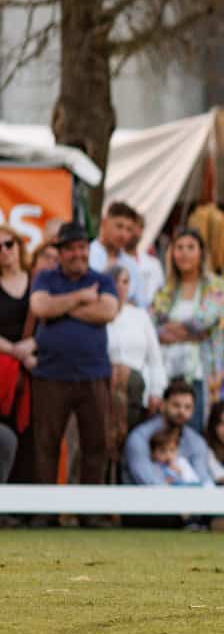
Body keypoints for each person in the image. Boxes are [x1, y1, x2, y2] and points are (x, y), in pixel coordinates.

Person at [29, 222, 120, 519]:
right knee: (46, 444)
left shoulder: (103, 279)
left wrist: (61, 309)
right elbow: (40, 308)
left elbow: (108, 311)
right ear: (61, 252)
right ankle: (44, 512)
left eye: (82, 247)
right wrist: (80, 299)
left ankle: (90, 512)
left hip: (93, 374)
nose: (77, 253)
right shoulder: (45, 277)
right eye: (71, 248)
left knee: (95, 444)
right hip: (50, 374)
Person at [151, 229, 224, 431]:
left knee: (195, 427)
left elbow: (205, 320)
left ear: (201, 253)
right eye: (179, 248)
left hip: (200, 370)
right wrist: (189, 334)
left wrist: (170, 330)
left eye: (190, 248)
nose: (184, 253)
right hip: (167, 368)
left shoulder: (214, 284)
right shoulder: (166, 288)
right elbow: (153, 323)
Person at [104, 265, 167, 480]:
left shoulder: (139, 316)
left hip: (136, 391)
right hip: (106, 392)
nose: (120, 287)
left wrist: (156, 391)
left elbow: (155, 358)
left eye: (125, 281)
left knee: (132, 445)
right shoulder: (97, 315)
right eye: (115, 281)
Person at [124, 379, 215, 486]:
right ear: (163, 405)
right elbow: (149, 483)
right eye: (176, 405)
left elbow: (203, 478)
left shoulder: (196, 441)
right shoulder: (140, 438)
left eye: (187, 407)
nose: (182, 411)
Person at [0, 226, 35, 490]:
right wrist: (16, 351)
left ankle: (25, 506)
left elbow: (49, 325)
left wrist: (32, 346)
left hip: (35, 366)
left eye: (8, 244)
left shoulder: (37, 281)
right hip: (4, 368)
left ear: (19, 246)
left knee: (30, 433)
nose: (4, 251)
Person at [87, 201, 144, 306]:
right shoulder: (85, 255)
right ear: (104, 223)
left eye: (129, 229)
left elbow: (140, 303)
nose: (123, 234)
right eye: (119, 226)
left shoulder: (132, 265)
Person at [128, 212, 164, 310]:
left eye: (139, 227)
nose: (135, 232)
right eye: (130, 227)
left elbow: (160, 295)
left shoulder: (154, 264)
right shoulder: (111, 261)